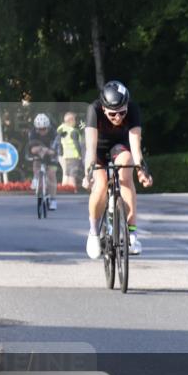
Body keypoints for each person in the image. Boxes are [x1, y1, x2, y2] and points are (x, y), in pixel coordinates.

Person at [82, 81, 153, 259]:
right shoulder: (94, 109)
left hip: (119, 147)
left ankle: (132, 235)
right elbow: (90, 148)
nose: (118, 118)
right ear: (104, 109)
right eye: (113, 114)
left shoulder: (133, 109)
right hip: (97, 150)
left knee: (126, 168)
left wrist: (141, 170)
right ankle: (93, 233)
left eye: (122, 113)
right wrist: (88, 172)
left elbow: (136, 147)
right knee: (101, 184)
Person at [27, 113, 59, 210]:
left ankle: (53, 200)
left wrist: (47, 150)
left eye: (44, 129)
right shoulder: (32, 132)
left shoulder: (53, 133)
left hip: (51, 151)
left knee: (51, 174)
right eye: (39, 129)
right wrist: (41, 149)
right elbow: (32, 149)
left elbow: (54, 150)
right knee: (36, 161)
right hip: (38, 151)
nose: (41, 131)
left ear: (48, 127)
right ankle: (36, 178)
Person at [56, 111, 83, 191]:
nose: (75, 122)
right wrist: (81, 154)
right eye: (74, 120)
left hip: (64, 156)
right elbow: (76, 144)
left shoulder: (61, 129)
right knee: (72, 175)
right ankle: (73, 190)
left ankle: (64, 190)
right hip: (74, 156)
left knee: (66, 174)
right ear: (70, 120)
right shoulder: (73, 131)